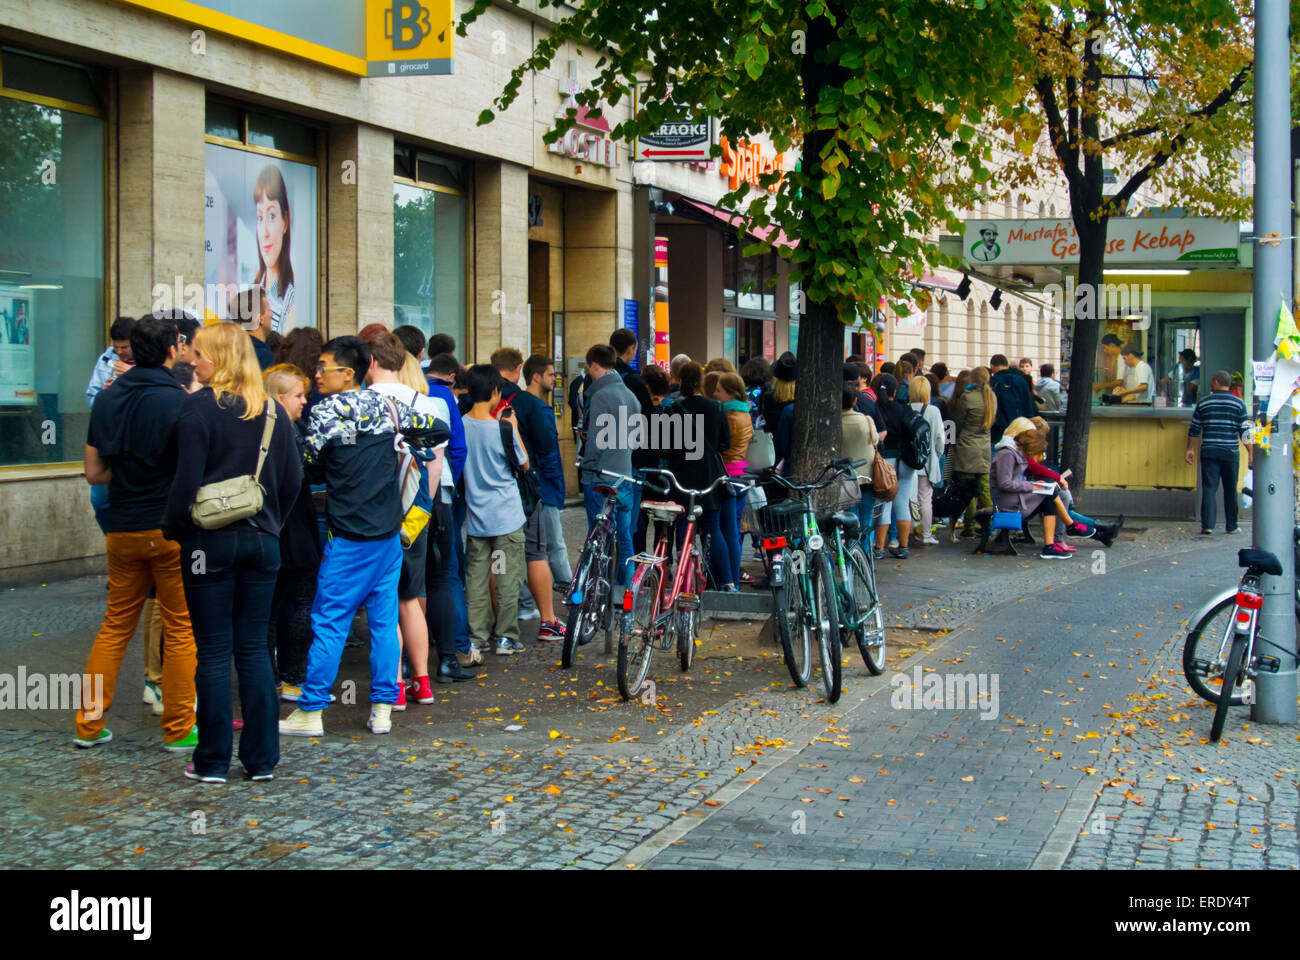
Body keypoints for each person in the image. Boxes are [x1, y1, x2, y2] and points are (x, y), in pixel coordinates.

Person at [279, 336, 448, 738]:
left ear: (348, 372)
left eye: (324, 367)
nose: (317, 375)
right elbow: (436, 431)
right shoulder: (390, 407)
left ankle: (312, 710)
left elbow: (308, 467)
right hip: (388, 535)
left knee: (330, 622)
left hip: (349, 536)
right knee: (384, 622)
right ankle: (382, 709)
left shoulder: (326, 412)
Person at [161, 322, 301, 782]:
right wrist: (271, 523)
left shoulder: (197, 409)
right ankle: (261, 761)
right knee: (256, 650)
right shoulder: (272, 412)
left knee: (215, 652)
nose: (191, 359)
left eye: (198, 353)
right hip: (262, 541)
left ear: (217, 359)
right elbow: (292, 480)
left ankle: (213, 761)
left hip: (209, 544)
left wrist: (176, 529)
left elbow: (184, 481)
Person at [76, 313, 197, 752]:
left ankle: (88, 725)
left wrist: (128, 475)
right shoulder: (180, 401)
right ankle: (180, 729)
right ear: (172, 351)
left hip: (122, 527)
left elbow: (94, 472)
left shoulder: (107, 400)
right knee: (181, 628)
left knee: (113, 628)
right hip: (169, 531)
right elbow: (192, 470)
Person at [366, 331, 458, 701]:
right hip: (416, 512)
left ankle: (395, 688)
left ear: (370, 364)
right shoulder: (427, 403)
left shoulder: (360, 402)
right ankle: (422, 683)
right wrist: (424, 511)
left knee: (383, 602)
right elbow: (435, 465)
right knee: (410, 596)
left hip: (373, 515)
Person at [461, 364, 530, 656]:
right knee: (505, 578)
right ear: (494, 392)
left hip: (476, 518)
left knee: (476, 580)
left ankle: (476, 637)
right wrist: (513, 427)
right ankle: (505, 637)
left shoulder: (460, 425)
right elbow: (524, 463)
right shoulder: (501, 428)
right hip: (506, 518)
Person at [261, 365, 321, 703]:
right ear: (280, 397)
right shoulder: (293, 431)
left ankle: (270, 676)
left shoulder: (258, 427)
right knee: (299, 600)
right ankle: (293, 675)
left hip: (270, 524)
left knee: (269, 605)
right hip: (293, 522)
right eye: (298, 395)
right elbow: (298, 478)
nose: (305, 401)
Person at [664, 361, 736, 590]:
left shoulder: (673, 409)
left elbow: (664, 447)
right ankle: (728, 582)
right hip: (709, 475)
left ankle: (683, 581)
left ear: (679, 380)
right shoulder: (716, 407)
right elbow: (725, 443)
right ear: (702, 381)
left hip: (682, 474)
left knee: (684, 522)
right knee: (713, 529)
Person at [425, 350, 473, 665]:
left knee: (407, 579)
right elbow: (457, 448)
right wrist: (450, 484)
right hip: (439, 495)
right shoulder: (442, 397)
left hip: (399, 500)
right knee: (447, 573)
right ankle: (455, 649)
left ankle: (407, 658)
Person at [579, 343, 639, 584]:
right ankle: (626, 592)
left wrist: (587, 468)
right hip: (625, 474)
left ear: (594, 365)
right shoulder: (631, 396)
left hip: (601, 477)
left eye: (589, 369)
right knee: (624, 536)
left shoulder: (601, 396)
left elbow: (595, 443)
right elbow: (637, 438)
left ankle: (599, 590)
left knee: (599, 539)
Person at [992, 417, 1088, 559]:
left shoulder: (1015, 451)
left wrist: (1037, 485)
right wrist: (1032, 486)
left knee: (1049, 493)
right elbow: (1005, 483)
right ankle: (1069, 527)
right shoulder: (1006, 454)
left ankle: (1052, 544)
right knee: (1050, 492)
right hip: (1008, 503)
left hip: (1015, 498)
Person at [522, 353, 574, 605]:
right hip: (543, 487)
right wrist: (555, 487)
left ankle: (527, 600)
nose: (556, 379)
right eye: (551, 374)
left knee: (534, 546)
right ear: (536, 376)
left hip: (530, 486)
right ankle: (573, 596)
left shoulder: (520, 404)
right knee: (554, 544)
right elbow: (548, 452)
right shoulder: (539, 409)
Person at [1186, 370, 1253, 535]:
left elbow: (1194, 428)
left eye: (1211, 380)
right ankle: (1231, 525)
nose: (1210, 383)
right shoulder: (1238, 403)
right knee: (1230, 489)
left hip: (1209, 450)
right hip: (1230, 451)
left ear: (1216, 381)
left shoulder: (1204, 403)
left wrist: (1190, 449)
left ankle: (1207, 526)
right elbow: (1245, 431)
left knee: (1209, 488)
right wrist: (1251, 453)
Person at [611, 328, 657, 554]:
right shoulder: (634, 382)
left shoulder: (598, 378)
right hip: (633, 456)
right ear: (631, 349)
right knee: (629, 520)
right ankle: (627, 573)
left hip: (605, 457)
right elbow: (648, 419)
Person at [714, 370, 751, 586]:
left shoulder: (729, 416)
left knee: (727, 531)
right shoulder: (745, 413)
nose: (716, 394)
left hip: (728, 474)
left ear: (729, 392)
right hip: (742, 473)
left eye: (719, 390)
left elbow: (722, 445)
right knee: (733, 530)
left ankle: (728, 580)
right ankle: (732, 578)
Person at [872, 374, 915, 559]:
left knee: (884, 503)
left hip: (884, 462)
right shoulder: (904, 409)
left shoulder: (875, 409)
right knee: (902, 502)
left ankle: (879, 547)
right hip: (905, 461)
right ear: (895, 391)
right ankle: (903, 546)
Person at [953, 366, 996, 537]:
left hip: (966, 447)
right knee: (984, 488)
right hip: (984, 447)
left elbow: (958, 422)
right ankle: (990, 524)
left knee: (967, 489)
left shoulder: (967, 397)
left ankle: (969, 526)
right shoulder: (991, 397)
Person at [253, 165, 297, 333]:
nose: (264, 232)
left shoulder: (290, 300)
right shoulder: (252, 289)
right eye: (259, 217)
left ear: (285, 221)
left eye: (271, 216)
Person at [909, 375, 946, 546]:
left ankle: (907, 531)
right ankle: (926, 533)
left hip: (908, 461)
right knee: (925, 498)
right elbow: (940, 439)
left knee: (907, 498)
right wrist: (935, 457)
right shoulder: (933, 411)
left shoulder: (905, 409)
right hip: (926, 461)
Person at [841, 383, 879, 545]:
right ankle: (866, 559)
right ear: (855, 400)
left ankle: (851, 558)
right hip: (868, 476)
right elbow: (876, 440)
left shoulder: (834, 423)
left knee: (850, 520)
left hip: (846, 478)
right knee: (866, 520)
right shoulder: (867, 421)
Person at [86, 315, 135, 407]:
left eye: (124, 347)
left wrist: (133, 374)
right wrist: (104, 394)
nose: (119, 351)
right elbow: (90, 399)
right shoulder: (105, 360)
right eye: (115, 347)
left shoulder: (148, 360)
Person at [989, 353, 1036, 443]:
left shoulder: (993, 382)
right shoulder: (1020, 380)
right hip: (1018, 427)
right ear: (1007, 366)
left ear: (992, 366)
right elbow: (1028, 404)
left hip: (997, 430)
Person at [245, 288, 275, 370]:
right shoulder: (264, 357)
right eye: (269, 310)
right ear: (260, 318)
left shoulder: (233, 351)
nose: (272, 314)